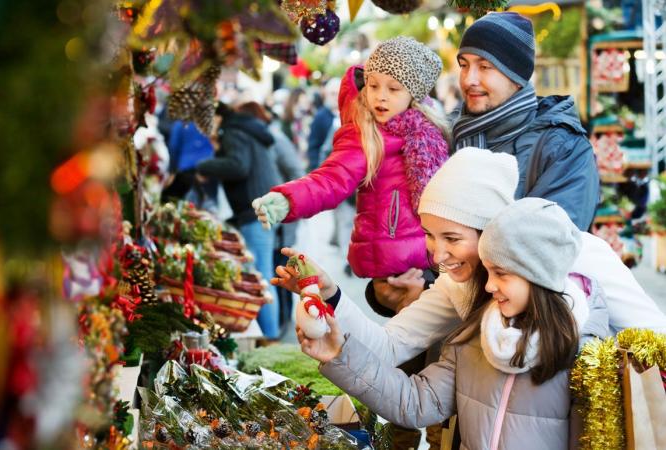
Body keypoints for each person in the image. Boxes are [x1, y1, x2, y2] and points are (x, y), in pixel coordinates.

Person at [272, 148, 666, 368]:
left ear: (490, 230)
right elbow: (390, 346)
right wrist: (331, 294)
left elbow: (655, 337)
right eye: (428, 234)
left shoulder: (581, 254)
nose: (438, 254)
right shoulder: (456, 284)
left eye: (452, 238)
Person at [299, 198, 605, 450]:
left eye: (502, 274)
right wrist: (339, 354)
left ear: (538, 274)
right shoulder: (477, 335)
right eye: (488, 272)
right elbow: (416, 402)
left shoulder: (586, 354)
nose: (488, 286)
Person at [252, 36, 450, 280]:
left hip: (431, 255)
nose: (381, 96)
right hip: (392, 260)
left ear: (414, 95)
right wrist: (287, 199)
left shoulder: (430, 129)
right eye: (374, 85)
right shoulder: (366, 133)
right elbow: (332, 178)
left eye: (394, 88)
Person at [452, 12, 599, 232]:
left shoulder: (564, 148)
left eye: (484, 67)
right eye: (464, 65)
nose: (469, 79)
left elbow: (549, 241)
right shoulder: (446, 133)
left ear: (517, 76)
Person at [195, 103, 282, 339]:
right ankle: (269, 337)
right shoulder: (245, 129)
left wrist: (204, 166)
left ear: (219, 117)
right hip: (262, 208)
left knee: (259, 278)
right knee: (262, 275)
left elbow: (238, 166)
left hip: (255, 211)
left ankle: (270, 341)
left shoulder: (233, 132)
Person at [236, 101, 306, 336]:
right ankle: (281, 324)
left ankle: (283, 325)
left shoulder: (274, 138)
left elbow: (297, 172)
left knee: (280, 272)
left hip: (282, 216)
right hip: (269, 215)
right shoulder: (259, 139)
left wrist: (285, 200)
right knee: (276, 272)